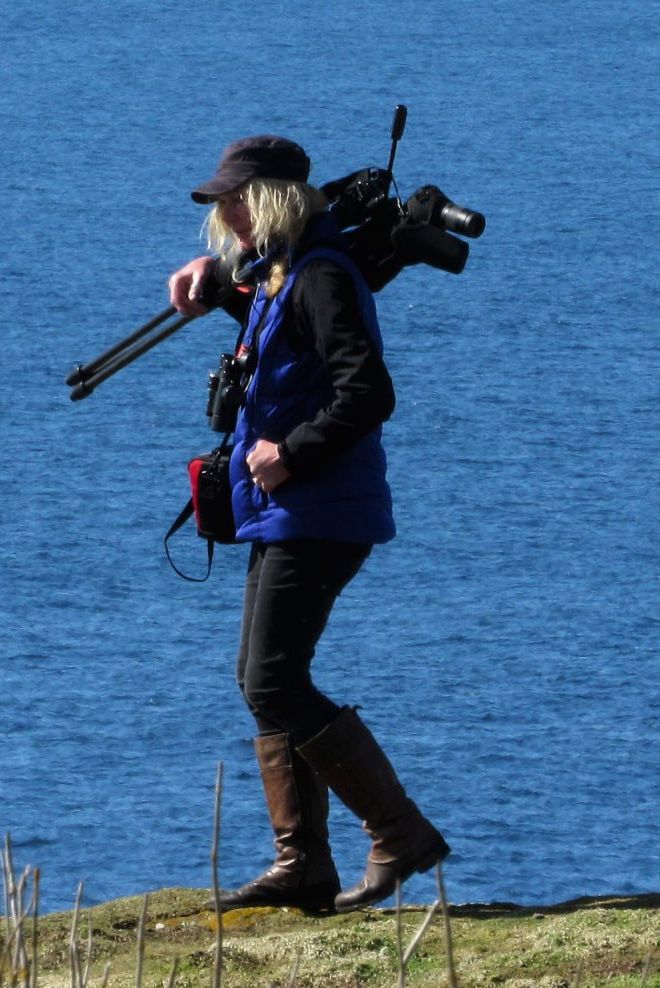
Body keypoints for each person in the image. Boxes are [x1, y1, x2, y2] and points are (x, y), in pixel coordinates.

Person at [164, 134, 450, 913]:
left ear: (274, 200)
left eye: (236, 198)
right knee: (263, 682)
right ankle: (304, 864)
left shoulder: (321, 276)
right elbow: (271, 323)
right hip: (287, 509)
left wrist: (289, 453)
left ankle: (398, 833)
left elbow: (368, 393)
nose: (225, 212)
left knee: (272, 678)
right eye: (222, 201)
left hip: (319, 508)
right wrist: (211, 279)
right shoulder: (281, 273)